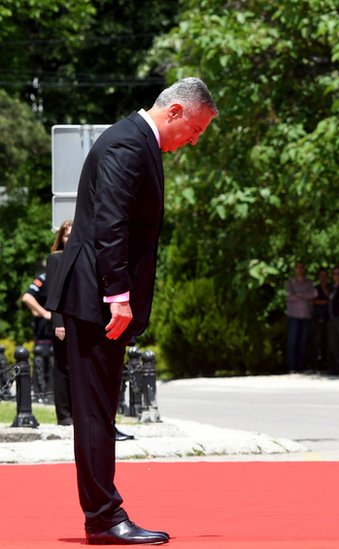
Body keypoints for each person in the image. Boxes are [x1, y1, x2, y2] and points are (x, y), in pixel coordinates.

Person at [45, 77, 217, 545]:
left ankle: (102, 514)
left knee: (99, 411)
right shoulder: (128, 143)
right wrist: (117, 294)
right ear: (177, 111)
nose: (195, 140)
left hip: (95, 297)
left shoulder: (136, 141)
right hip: (95, 298)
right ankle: (103, 518)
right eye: (196, 129)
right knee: (96, 413)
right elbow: (110, 223)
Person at [22, 223, 73, 424]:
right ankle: (64, 414)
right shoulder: (55, 259)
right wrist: (48, 315)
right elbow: (30, 296)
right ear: (61, 238)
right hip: (56, 324)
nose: (70, 239)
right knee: (60, 367)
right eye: (66, 236)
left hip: (79, 321)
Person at [285, 262, 316, 373]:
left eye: (301, 267)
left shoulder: (309, 282)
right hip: (293, 315)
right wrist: (304, 296)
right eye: (297, 268)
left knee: (302, 342)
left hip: (305, 315)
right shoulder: (290, 283)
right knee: (292, 341)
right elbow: (290, 296)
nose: (299, 269)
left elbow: (313, 294)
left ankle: (300, 366)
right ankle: (291, 367)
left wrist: (299, 295)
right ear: (295, 269)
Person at [310, 267, 330, 371]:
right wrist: (326, 301)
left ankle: (326, 363)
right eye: (321, 275)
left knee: (327, 342)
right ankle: (315, 364)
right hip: (317, 318)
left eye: (325, 275)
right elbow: (313, 301)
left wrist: (326, 296)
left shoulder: (330, 288)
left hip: (328, 319)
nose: (323, 277)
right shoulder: (315, 288)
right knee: (316, 341)